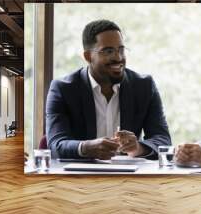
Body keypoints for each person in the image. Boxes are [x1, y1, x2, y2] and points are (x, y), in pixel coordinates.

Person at [46, 19, 171, 160]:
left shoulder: (144, 86)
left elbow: (163, 140)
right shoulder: (63, 89)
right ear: (88, 56)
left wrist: (138, 148)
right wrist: (86, 148)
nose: (118, 57)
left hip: (130, 178)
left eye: (121, 50)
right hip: (81, 177)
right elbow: (56, 145)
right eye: (108, 51)